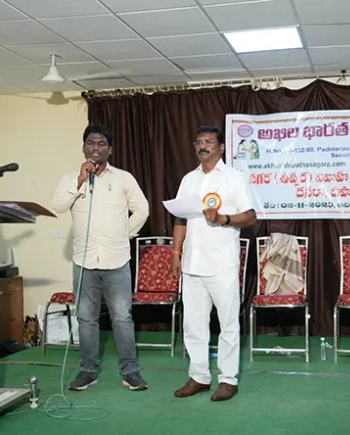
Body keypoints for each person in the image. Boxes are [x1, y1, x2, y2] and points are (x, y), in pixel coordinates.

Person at [51, 123, 149, 392]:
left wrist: (124, 235)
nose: (96, 148)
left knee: (122, 318)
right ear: (83, 147)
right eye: (91, 143)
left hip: (117, 260)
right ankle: (87, 371)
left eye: (101, 144)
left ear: (110, 149)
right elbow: (58, 205)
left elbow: (142, 209)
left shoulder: (124, 179)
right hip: (84, 261)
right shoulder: (71, 177)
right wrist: (79, 181)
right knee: (86, 319)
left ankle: (130, 371)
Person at [171, 125, 257, 401]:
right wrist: (175, 252)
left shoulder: (234, 178)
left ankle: (228, 379)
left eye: (209, 141)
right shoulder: (188, 179)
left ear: (221, 147)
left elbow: (251, 217)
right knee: (193, 325)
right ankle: (199, 377)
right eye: (198, 142)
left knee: (228, 324)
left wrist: (224, 219)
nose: (202, 145)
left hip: (222, 264)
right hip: (192, 264)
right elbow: (180, 218)